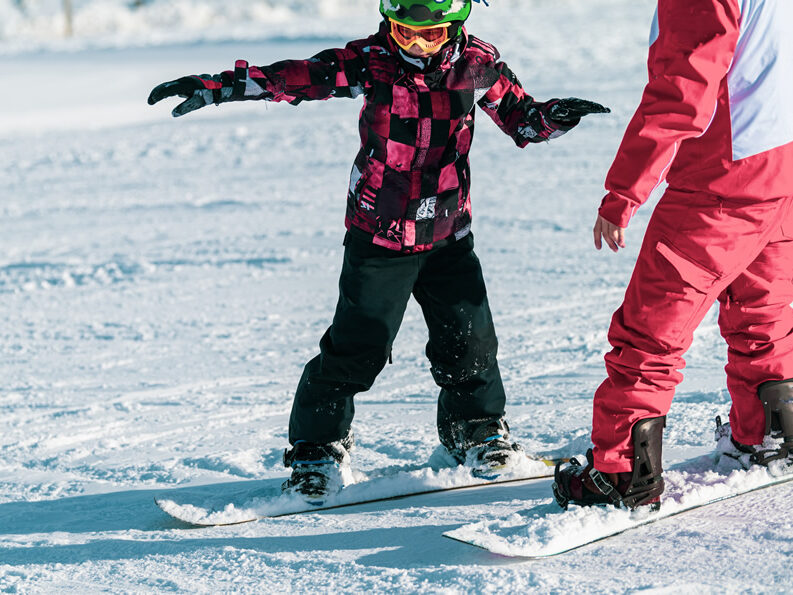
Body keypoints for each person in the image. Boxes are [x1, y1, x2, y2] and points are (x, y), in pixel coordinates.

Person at [149, 0, 609, 500]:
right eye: (404, 33)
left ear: (455, 28)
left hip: (448, 231)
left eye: (429, 36)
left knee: (470, 341)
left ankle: (476, 433)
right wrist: (216, 87)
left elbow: (521, 119)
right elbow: (296, 78)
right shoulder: (372, 61)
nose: (415, 46)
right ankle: (316, 451)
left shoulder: (477, 63)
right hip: (379, 234)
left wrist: (553, 117)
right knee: (357, 346)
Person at [553, 0, 793, 510]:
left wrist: (624, 192)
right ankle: (774, 434)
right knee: (763, 316)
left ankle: (620, 474)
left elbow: (681, 93)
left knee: (651, 331)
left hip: (720, 183)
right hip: (781, 170)